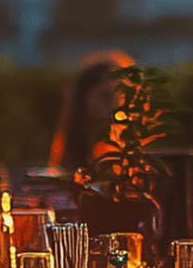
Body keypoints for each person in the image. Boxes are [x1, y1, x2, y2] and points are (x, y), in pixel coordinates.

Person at [50, 48, 138, 176]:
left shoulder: (133, 151)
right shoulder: (73, 151)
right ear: (82, 99)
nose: (116, 106)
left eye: (122, 98)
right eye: (105, 96)